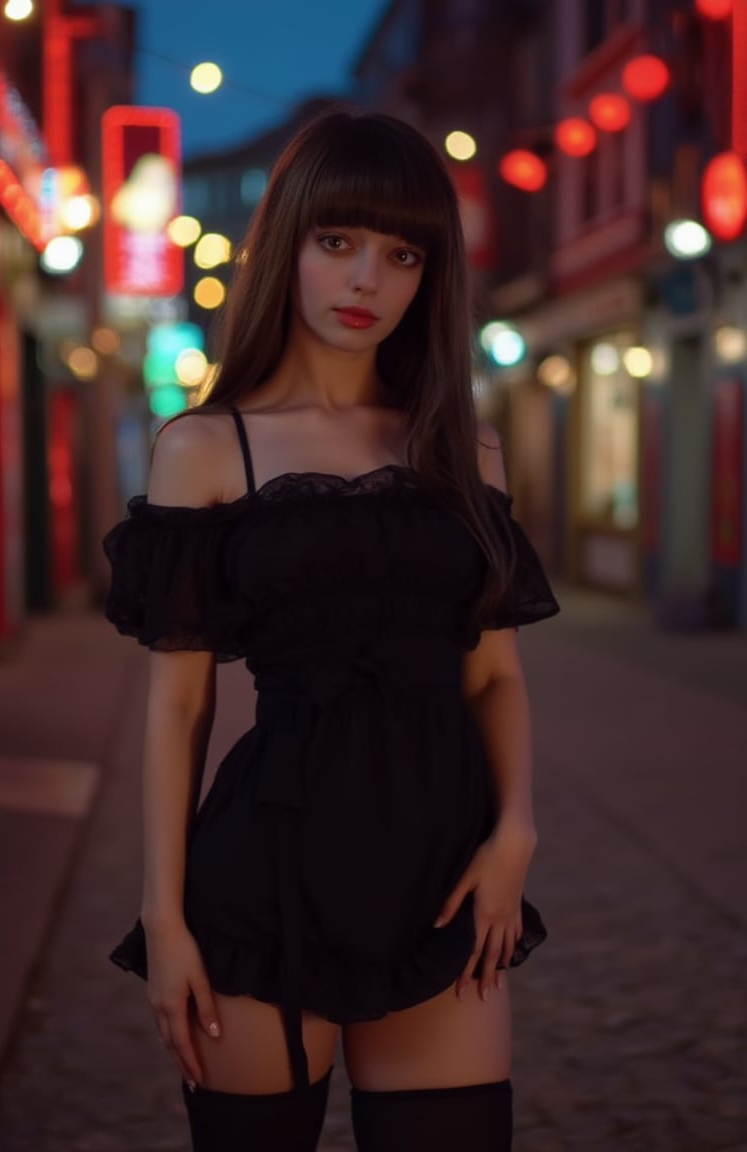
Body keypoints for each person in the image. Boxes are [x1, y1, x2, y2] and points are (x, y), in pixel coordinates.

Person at [103, 106, 559, 1152]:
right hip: (265, 875)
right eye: (338, 242)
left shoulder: (464, 450)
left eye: (402, 254)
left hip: (442, 875)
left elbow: (493, 678)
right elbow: (180, 709)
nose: (368, 281)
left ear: (430, 275)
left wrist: (515, 835)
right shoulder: (208, 447)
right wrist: (166, 921)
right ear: (289, 248)